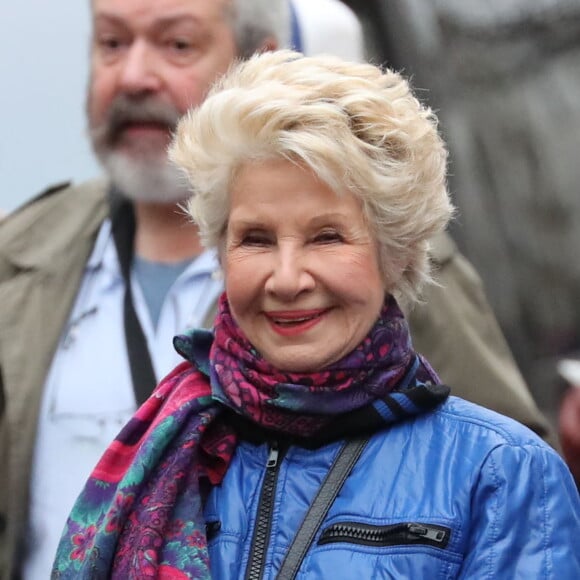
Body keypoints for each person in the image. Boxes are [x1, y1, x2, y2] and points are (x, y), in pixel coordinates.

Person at [0, 0, 555, 577]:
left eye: (177, 44)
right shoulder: (24, 249)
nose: (135, 74)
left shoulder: (487, 452)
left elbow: (500, 496)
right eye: (112, 43)